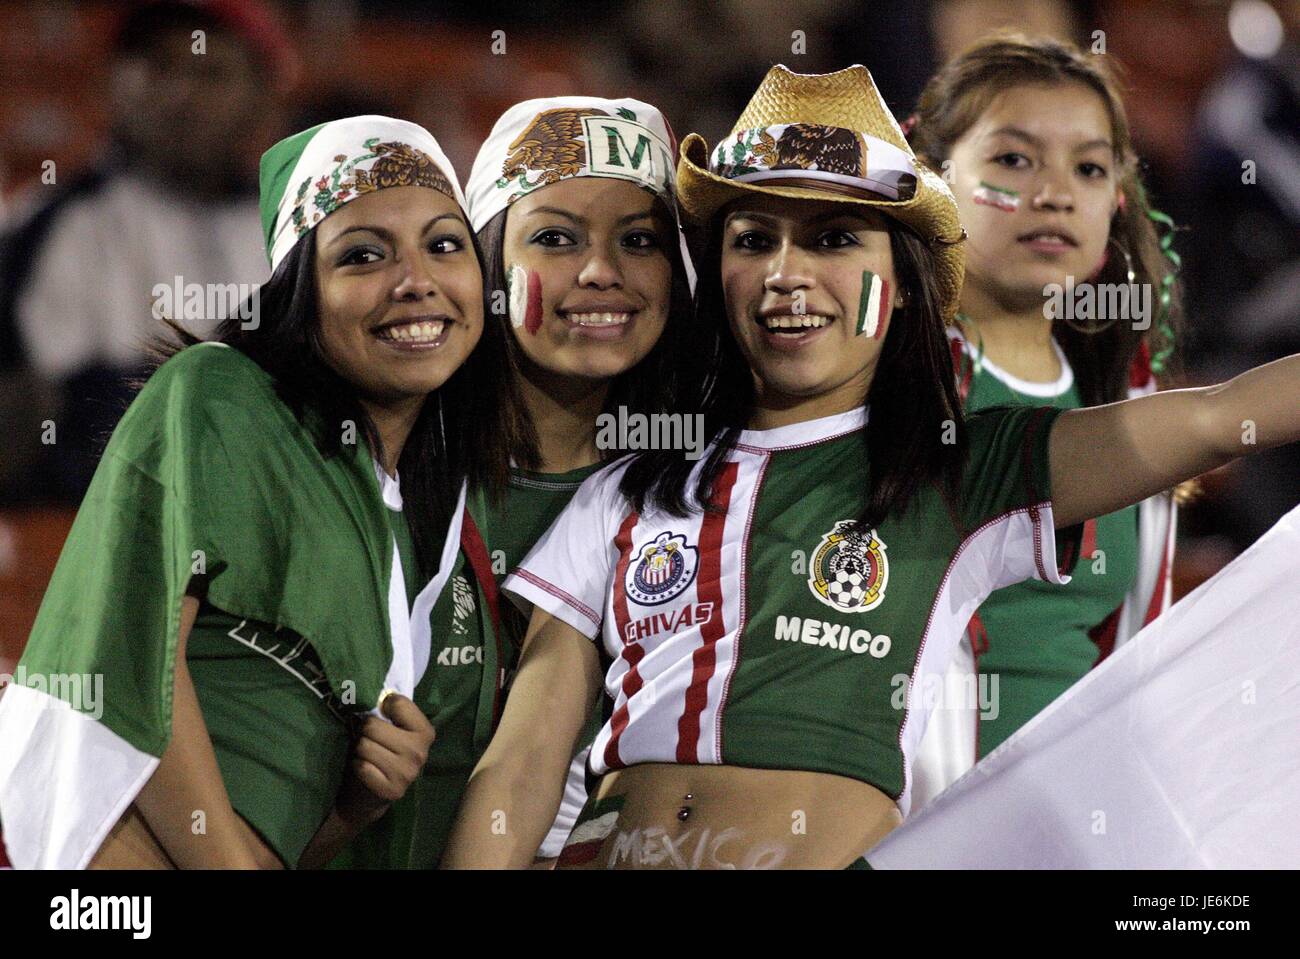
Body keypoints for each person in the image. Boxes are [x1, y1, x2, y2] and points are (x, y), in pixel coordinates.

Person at [442, 64, 1300, 870]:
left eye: (834, 238)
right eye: (754, 238)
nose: (787, 274)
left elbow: (1221, 418)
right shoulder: (621, 491)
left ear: (901, 281)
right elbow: (518, 770)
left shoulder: (969, 470)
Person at [0, 115, 516, 869]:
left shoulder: (418, 524)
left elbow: (282, 830)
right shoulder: (219, 395)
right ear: (300, 295)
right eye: (363, 255)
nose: (415, 280)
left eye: (444, 244)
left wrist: (354, 804)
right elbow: (130, 663)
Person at [335, 95, 696, 867]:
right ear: (488, 260)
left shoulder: (704, 494)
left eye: (640, 240)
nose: (602, 272)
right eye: (556, 238)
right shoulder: (377, 459)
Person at [902, 34, 1183, 801]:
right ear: (931, 176)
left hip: (1073, 823)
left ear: (1116, 202)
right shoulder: (879, 382)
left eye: (1089, 168)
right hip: (907, 826)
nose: (1056, 193)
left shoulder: (1123, 406)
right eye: (1014, 160)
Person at [0, 0, 294, 504]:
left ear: (263, 97)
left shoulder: (302, 234)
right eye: (159, 67)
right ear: (110, 83)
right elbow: (44, 428)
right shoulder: (41, 227)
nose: (181, 94)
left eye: (211, 73)